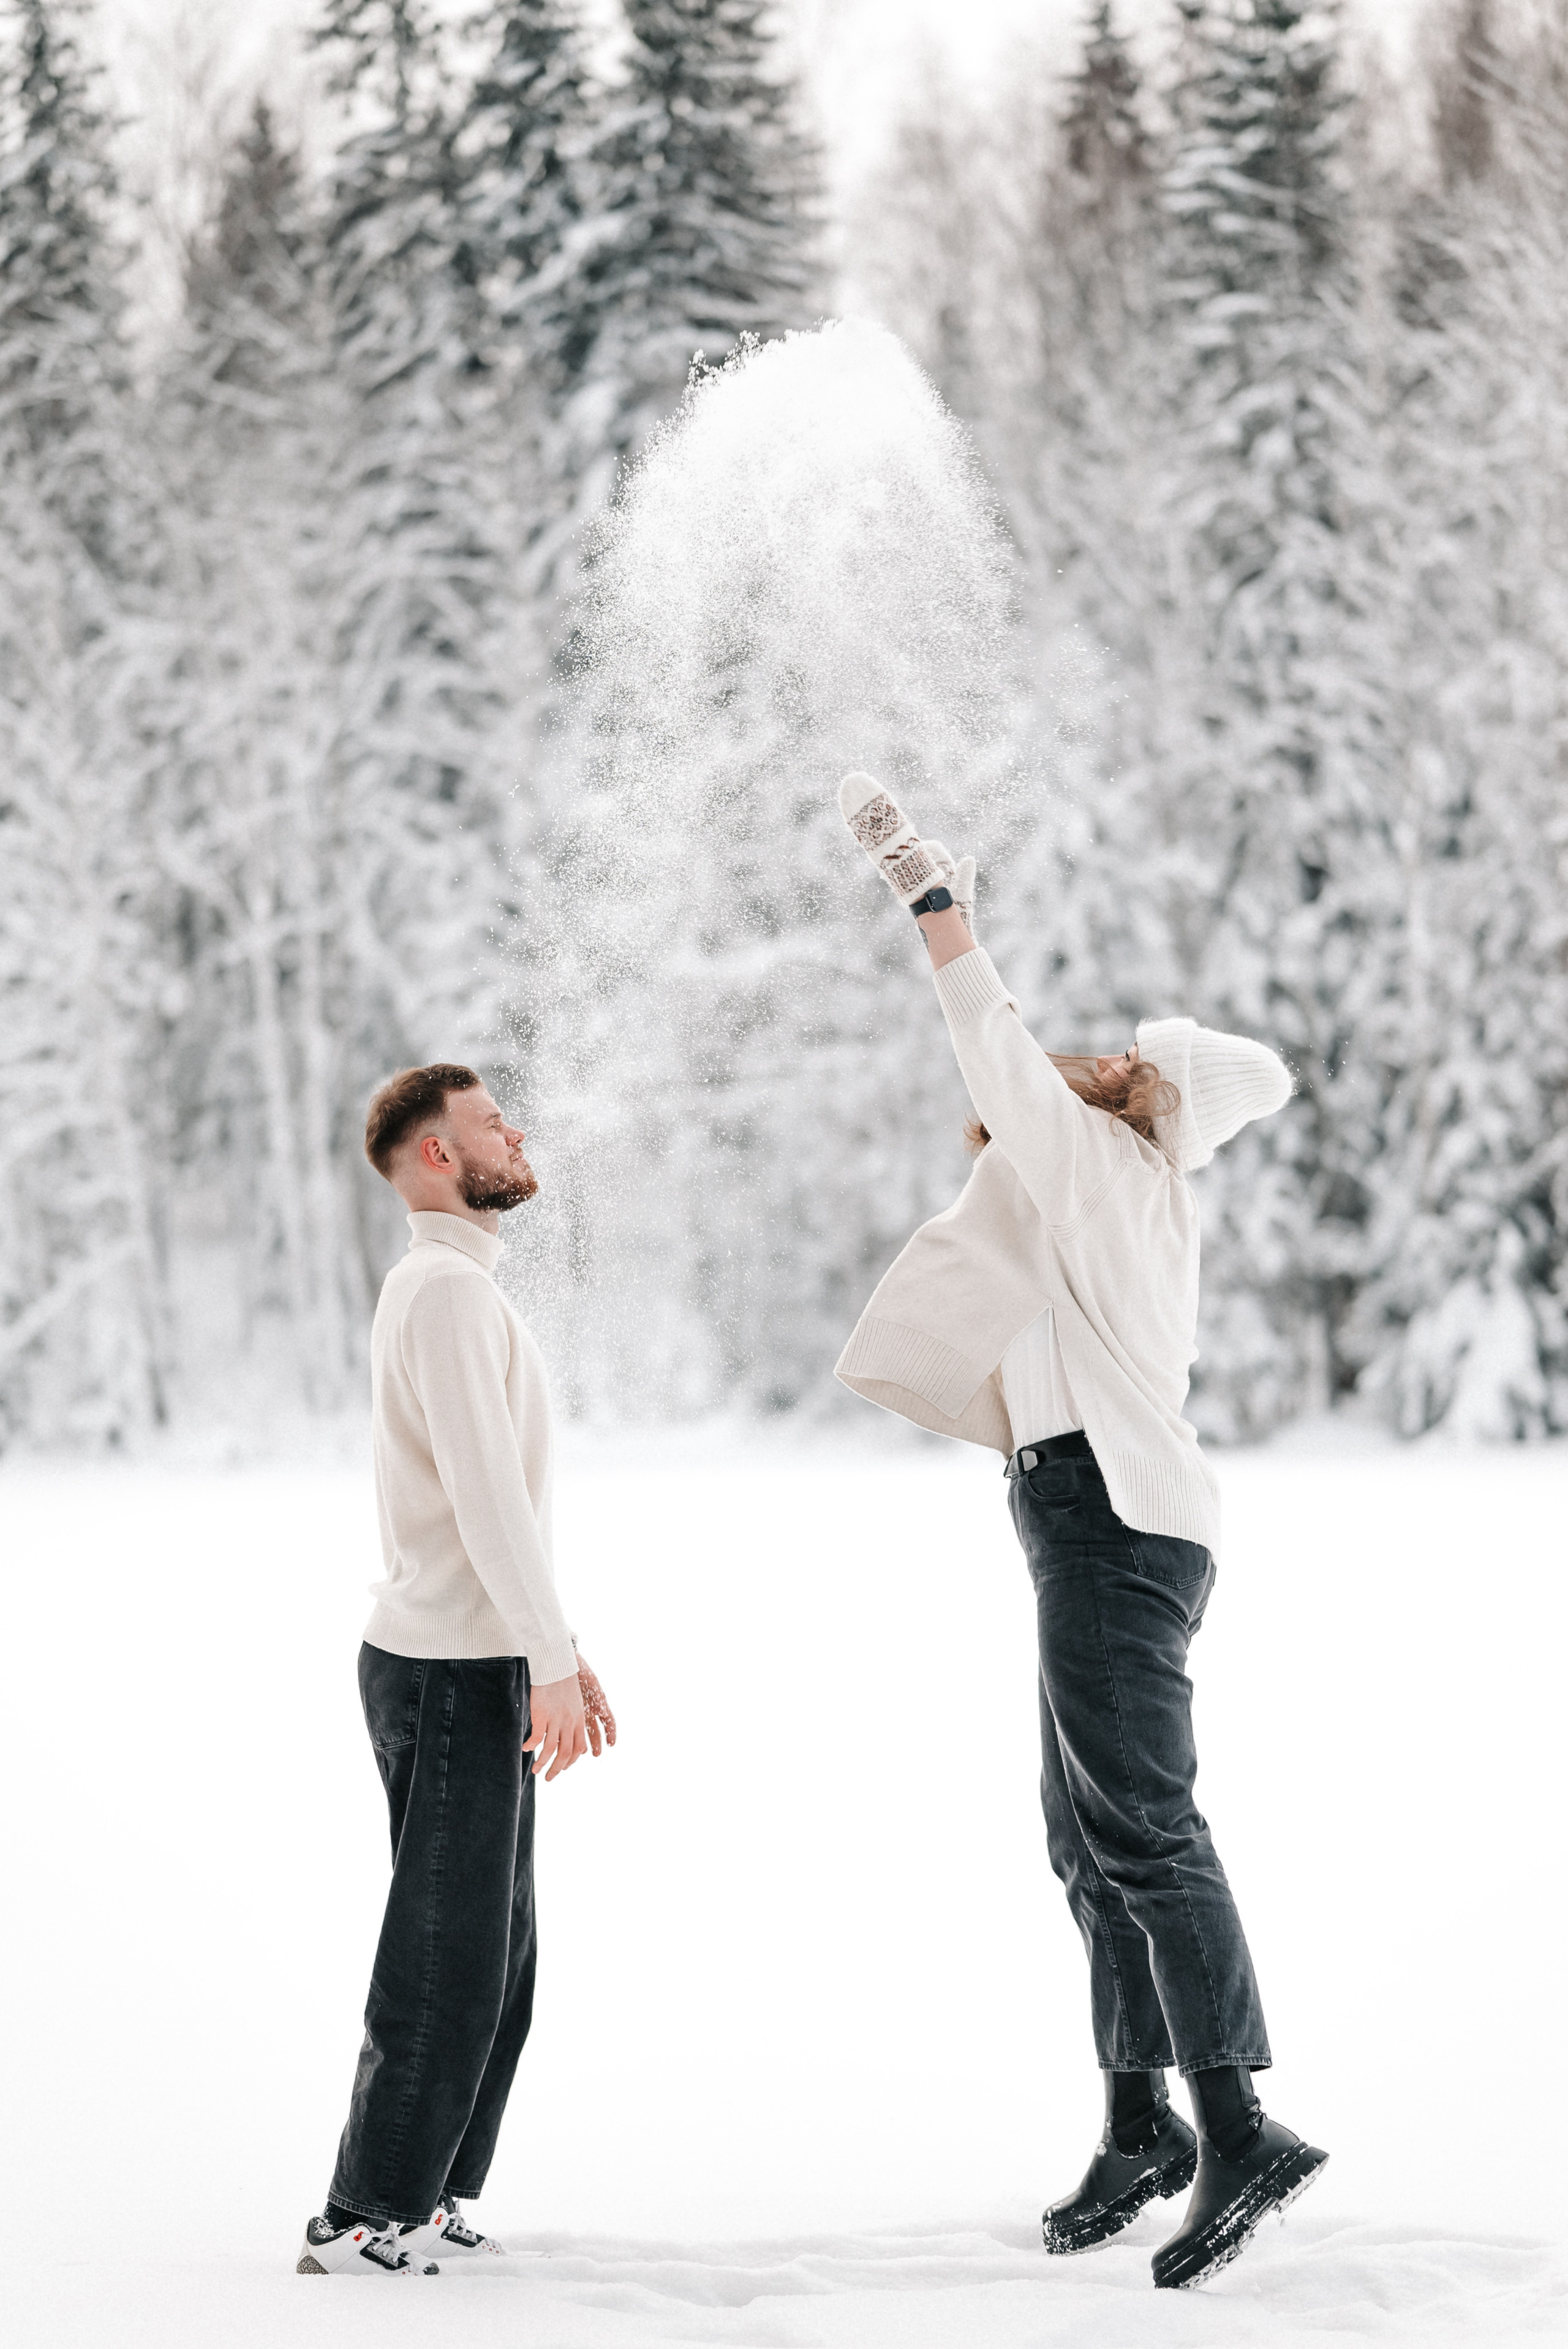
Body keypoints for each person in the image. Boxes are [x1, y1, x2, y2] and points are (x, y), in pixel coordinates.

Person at [835, 774, 1327, 2291]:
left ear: (1152, 1105)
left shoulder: (1112, 1171)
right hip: (1094, 1515)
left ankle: (1237, 2128)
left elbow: (994, 1046)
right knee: (1088, 1835)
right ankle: (1140, 2128)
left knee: (1143, 1827)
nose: (1100, 1058)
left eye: (1128, 1059)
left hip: (1110, 1523)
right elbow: (1008, 1130)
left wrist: (934, 904)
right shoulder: (1096, 1187)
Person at [298, 1064, 616, 2277]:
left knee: (496, 1956)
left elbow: (501, 1511)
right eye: (490, 1123)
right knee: (445, 1953)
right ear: (437, 1156)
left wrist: (559, 1657)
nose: (515, 1132)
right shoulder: (441, 1296)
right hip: (448, 1667)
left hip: (474, 1660)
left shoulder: (456, 1290)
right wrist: (544, 1657)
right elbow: (486, 1500)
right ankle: (361, 2214)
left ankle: (425, 2199)